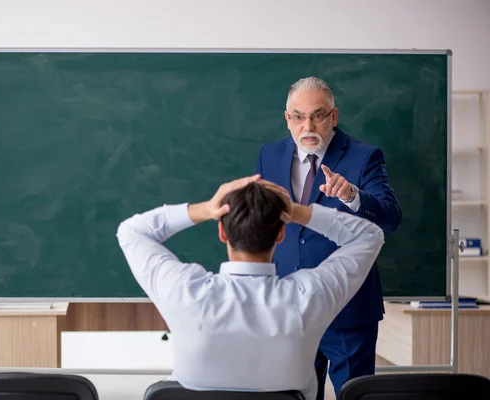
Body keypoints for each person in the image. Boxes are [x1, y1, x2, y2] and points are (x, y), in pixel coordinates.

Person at [117, 174, 384, 400]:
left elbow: (131, 232)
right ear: (281, 233)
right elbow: (370, 235)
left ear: (222, 232)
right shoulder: (309, 295)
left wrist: (207, 208)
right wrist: (297, 211)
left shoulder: (185, 290)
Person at [255, 77, 402, 399]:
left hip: (346, 304)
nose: (307, 125)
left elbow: (391, 219)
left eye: (317, 115)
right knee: (292, 394)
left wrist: (352, 195)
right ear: (287, 119)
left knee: (353, 393)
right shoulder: (270, 155)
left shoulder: (364, 157)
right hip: (288, 306)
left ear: (333, 117)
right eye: (298, 116)